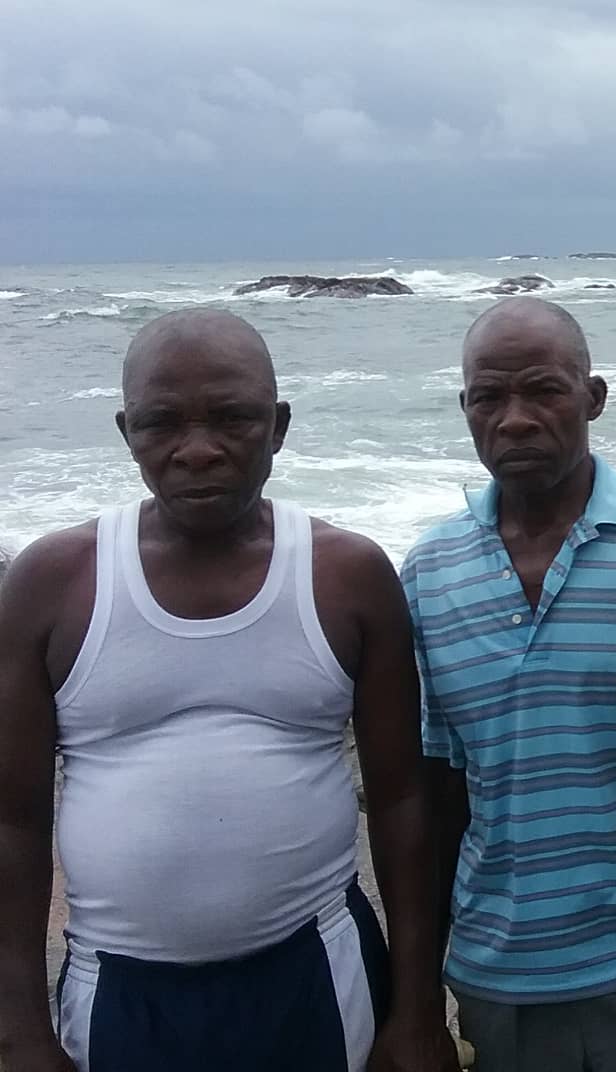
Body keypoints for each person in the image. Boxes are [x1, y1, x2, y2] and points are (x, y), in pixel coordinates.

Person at [0, 309, 456, 1072]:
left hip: (316, 971)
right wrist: (17, 1028)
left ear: (278, 426)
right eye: (161, 423)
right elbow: (12, 822)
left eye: (233, 418)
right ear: (125, 431)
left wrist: (416, 1012)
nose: (198, 449)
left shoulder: (346, 576)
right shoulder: (52, 583)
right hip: (118, 988)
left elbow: (404, 801)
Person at [405, 298, 616, 1071]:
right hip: (500, 981)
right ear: (465, 408)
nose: (515, 418)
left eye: (544, 391)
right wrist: (418, 997)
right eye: (488, 397)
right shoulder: (430, 573)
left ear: (593, 397)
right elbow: (438, 795)